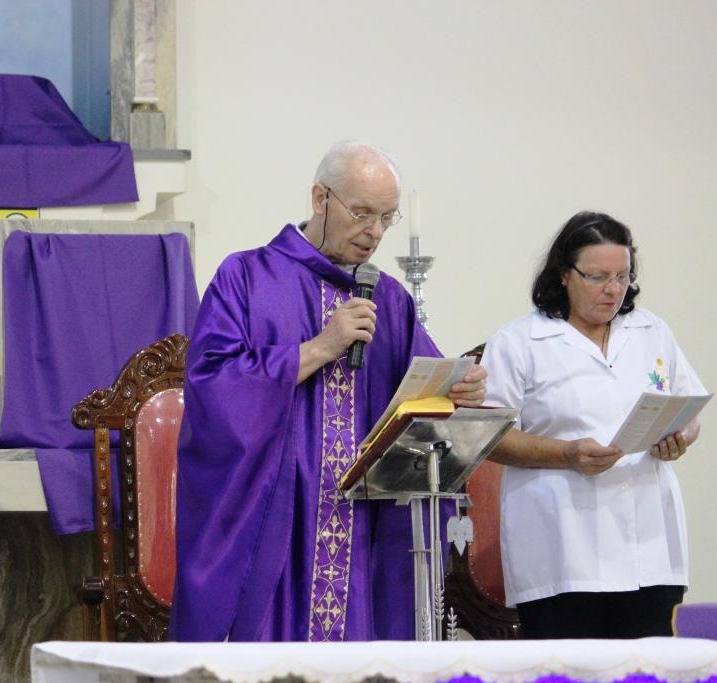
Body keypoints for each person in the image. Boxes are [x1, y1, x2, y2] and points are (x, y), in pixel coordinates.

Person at [170, 141, 487, 641]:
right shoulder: (247, 277)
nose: (375, 232)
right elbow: (212, 385)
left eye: (387, 218)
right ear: (320, 198)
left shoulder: (389, 299)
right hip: (278, 523)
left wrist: (458, 390)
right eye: (362, 214)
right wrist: (320, 347)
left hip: (362, 531)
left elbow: (419, 399)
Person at [481, 211, 705, 639]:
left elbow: (689, 406)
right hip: (562, 550)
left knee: (648, 664)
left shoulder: (651, 331)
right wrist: (566, 454)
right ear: (565, 274)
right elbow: (488, 436)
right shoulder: (520, 341)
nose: (613, 289)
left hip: (650, 547)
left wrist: (681, 436)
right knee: (568, 664)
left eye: (622, 276)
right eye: (598, 277)